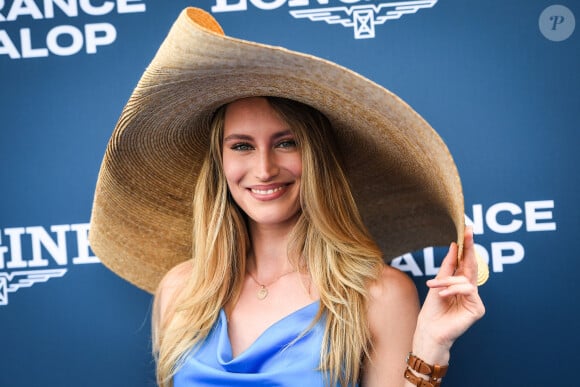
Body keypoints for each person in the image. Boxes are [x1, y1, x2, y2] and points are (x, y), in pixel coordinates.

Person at [89, 8, 485, 387]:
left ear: (317, 158)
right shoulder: (180, 289)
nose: (264, 169)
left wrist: (432, 346)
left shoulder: (379, 294)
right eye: (242, 146)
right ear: (220, 164)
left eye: (286, 143)